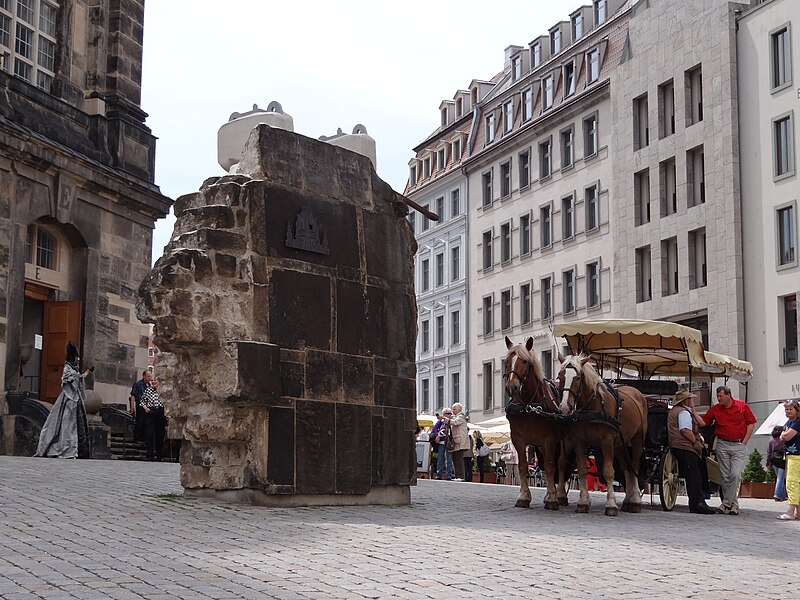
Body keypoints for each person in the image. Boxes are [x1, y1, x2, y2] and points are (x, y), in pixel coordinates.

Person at [701, 385, 756, 515]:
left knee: (735, 475)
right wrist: (691, 413)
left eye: (720, 396)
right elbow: (704, 422)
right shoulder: (716, 409)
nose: (718, 398)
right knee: (725, 477)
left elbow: (751, 423)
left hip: (738, 444)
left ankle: (725, 503)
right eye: (717, 396)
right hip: (722, 444)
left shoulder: (741, 406)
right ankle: (733, 505)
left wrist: (744, 442)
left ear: (728, 395)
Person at [35, 341, 92, 459]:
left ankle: (75, 448)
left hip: (76, 400)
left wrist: (86, 373)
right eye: (77, 357)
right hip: (68, 399)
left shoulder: (74, 368)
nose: (78, 359)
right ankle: (65, 448)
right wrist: (77, 377)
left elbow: (79, 378)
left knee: (74, 425)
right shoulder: (67, 367)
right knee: (66, 424)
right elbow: (66, 380)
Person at [667, 389, 715, 514]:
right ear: (685, 400)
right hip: (685, 446)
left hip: (678, 444)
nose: (692, 400)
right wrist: (695, 442)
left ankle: (699, 501)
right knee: (694, 476)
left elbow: (701, 423)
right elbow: (685, 430)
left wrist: (693, 410)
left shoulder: (676, 411)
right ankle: (697, 503)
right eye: (690, 399)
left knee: (695, 475)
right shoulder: (683, 413)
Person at [777, 399, 800, 520]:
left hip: (796, 456)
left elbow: (786, 436)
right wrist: (783, 435)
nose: (788, 411)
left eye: (791, 409)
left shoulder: (797, 422)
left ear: (797, 410)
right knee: (795, 483)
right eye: (786, 409)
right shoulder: (789, 422)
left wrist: (783, 435)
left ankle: (790, 511)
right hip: (791, 455)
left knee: (792, 483)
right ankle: (798, 512)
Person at [140, 378, 166, 461]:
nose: (153, 382)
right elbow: (142, 401)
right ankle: (149, 455)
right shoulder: (148, 390)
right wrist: (145, 407)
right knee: (149, 434)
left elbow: (167, 402)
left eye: (155, 380)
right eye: (152, 380)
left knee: (160, 434)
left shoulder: (163, 390)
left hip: (160, 412)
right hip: (150, 412)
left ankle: (159, 455)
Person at [129, 369, 152, 443]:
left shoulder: (149, 386)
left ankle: (144, 439)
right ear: (144, 376)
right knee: (140, 421)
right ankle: (137, 438)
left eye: (150, 376)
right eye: (148, 376)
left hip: (147, 406)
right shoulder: (138, 384)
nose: (149, 378)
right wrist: (132, 407)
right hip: (140, 405)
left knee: (146, 423)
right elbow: (133, 395)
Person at [766, 425, 787, 502]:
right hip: (781, 460)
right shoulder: (783, 440)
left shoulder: (771, 441)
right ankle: (777, 495)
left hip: (773, 460)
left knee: (779, 477)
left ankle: (782, 495)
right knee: (780, 478)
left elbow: (769, 453)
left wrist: (768, 463)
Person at [449, 402, 470, 481]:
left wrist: (446, 419)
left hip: (460, 441)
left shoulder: (460, 416)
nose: (453, 410)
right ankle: (457, 475)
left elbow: (454, 422)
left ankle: (461, 476)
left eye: (454, 409)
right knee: (455, 459)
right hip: (457, 441)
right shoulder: (457, 416)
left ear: (459, 409)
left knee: (459, 459)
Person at [432, 411, 453, 480]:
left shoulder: (451, 421)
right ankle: (439, 474)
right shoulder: (441, 421)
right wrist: (437, 435)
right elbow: (434, 428)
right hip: (441, 442)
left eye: (450, 413)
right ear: (444, 414)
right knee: (440, 459)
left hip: (449, 442)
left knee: (449, 460)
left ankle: (448, 475)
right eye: (447, 413)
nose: (449, 415)